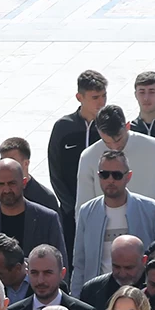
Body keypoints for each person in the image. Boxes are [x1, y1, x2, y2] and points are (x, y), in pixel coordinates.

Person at [71, 151, 155, 298]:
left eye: (117, 175)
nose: (110, 180)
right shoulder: (87, 212)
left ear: (128, 176)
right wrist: (76, 300)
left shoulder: (151, 210)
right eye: (104, 174)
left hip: (141, 292)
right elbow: (80, 263)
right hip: (100, 293)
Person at [74, 105, 155, 215]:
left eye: (118, 139)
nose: (114, 147)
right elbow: (83, 208)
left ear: (127, 126)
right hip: (105, 227)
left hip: (149, 225)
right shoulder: (88, 157)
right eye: (107, 142)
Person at [0, 159, 65, 275]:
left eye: (12, 183)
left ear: (24, 183)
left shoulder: (47, 219)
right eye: (1, 184)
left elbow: (60, 264)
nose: (6, 190)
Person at [48, 71, 106, 219]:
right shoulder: (63, 127)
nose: (101, 102)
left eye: (103, 96)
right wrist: (69, 207)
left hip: (105, 209)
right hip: (70, 211)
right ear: (79, 97)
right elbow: (55, 171)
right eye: (95, 97)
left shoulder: (109, 127)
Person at [13, 244, 96, 310]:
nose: (40, 280)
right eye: (34, 273)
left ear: (62, 273)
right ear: (27, 273)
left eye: (47, 273)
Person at [0, 137, 62, 215]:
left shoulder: (45, 198)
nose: (6, 165)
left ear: (26, 163)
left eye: (12, 161)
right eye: (3, 160)